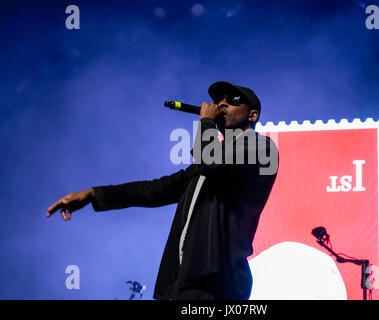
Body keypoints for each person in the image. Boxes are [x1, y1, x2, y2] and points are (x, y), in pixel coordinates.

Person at [46, 81, 278, 300]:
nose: (222, 104)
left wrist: (206, 121)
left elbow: (210, 160)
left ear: (252, 114)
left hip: (218, 280)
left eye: (233, 99)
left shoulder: (263, 149)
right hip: (185, 280)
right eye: (220, 100)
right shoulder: (205, 167)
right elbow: (154, 189)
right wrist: (94, 194)